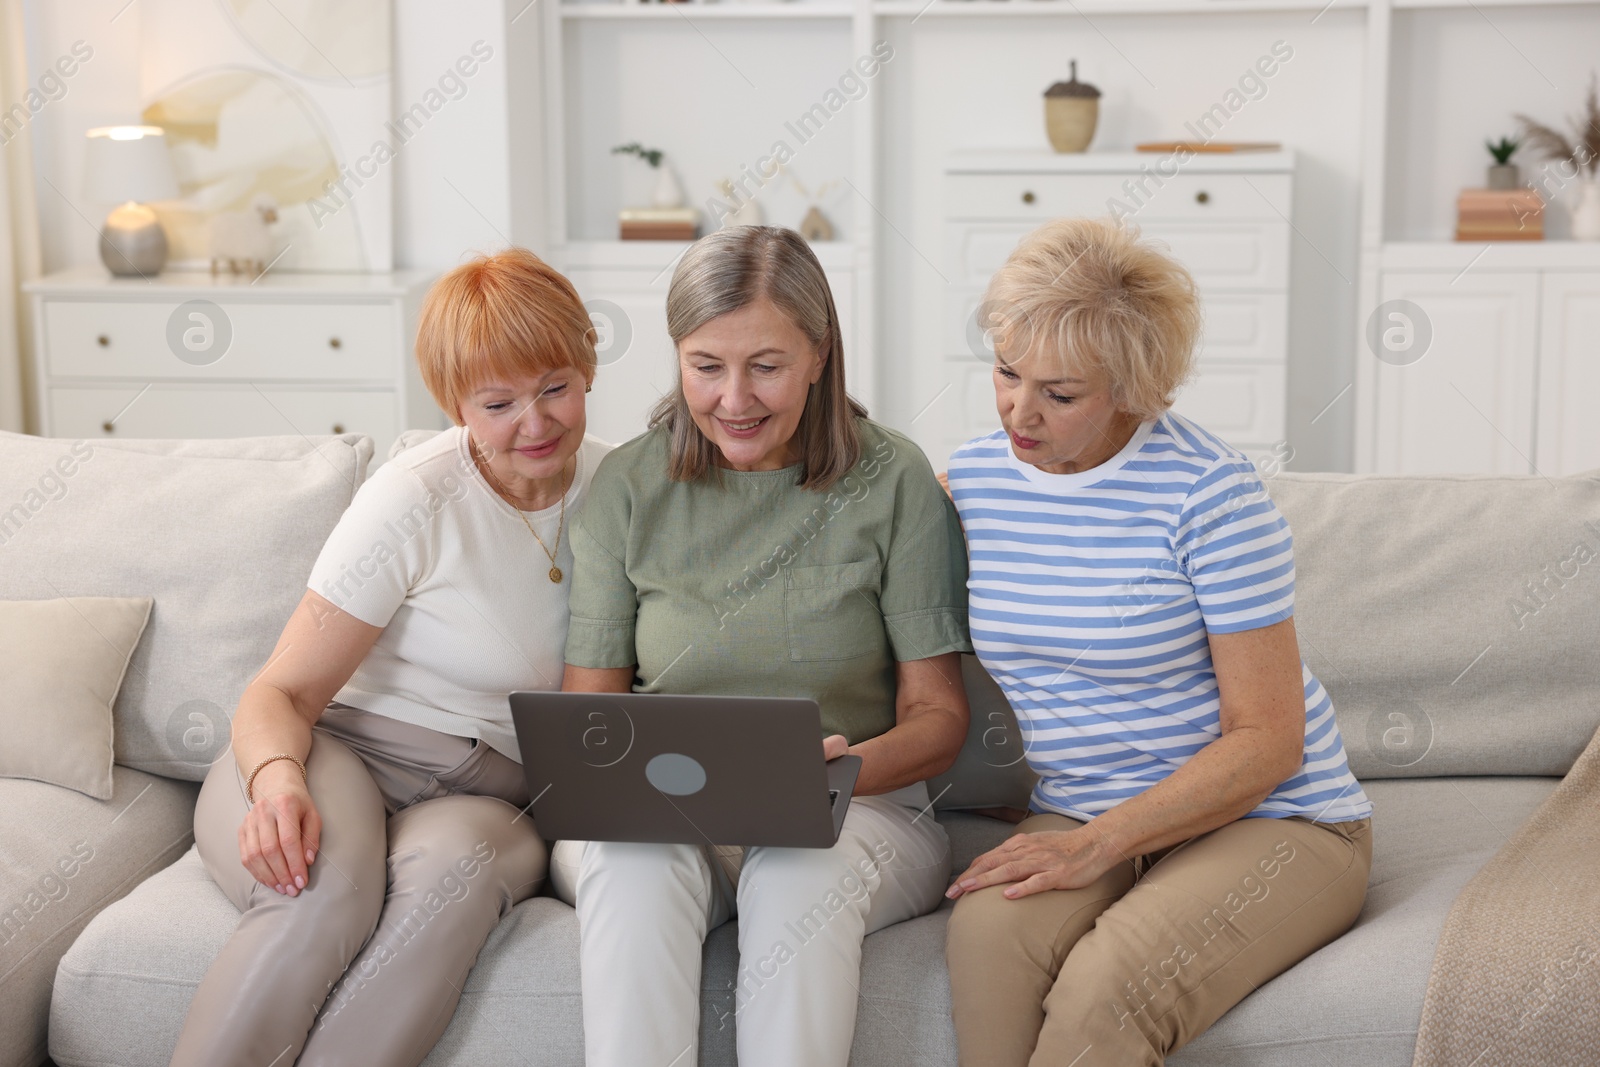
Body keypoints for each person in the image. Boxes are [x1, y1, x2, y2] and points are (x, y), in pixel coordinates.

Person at [942, 217, 1373, 1067]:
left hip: (1277, 819)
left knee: (1107, 991)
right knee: (987, 936)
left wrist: (1097, 842)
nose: (1019, 411)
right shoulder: (975, 482)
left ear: (1135, 390)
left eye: (1060, 394)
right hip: (1081, 804)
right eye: (1005, 371)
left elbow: (1270, 740)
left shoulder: (1210, 497)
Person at [171, 248, 612, 1067]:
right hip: (340, 750)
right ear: (454, 406)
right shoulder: (416, 495)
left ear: (589, 361)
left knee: (447, 892)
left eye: (556, 386)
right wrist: (278, 786)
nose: (536, 422)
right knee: (321, 895)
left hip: (496, 792)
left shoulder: (623, 491)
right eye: (498, 402)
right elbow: (281, 692)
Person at [549, 225, 972, 1067]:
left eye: (766, 366)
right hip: (665, 814)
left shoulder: (894, 483)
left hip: (857, 810)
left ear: (819, 355)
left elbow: (937, 716)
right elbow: (588, 717)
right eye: (706, 365)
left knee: (798, 869)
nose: (733, 398)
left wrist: (830, 774)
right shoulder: (627, 489)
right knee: (633, 866)